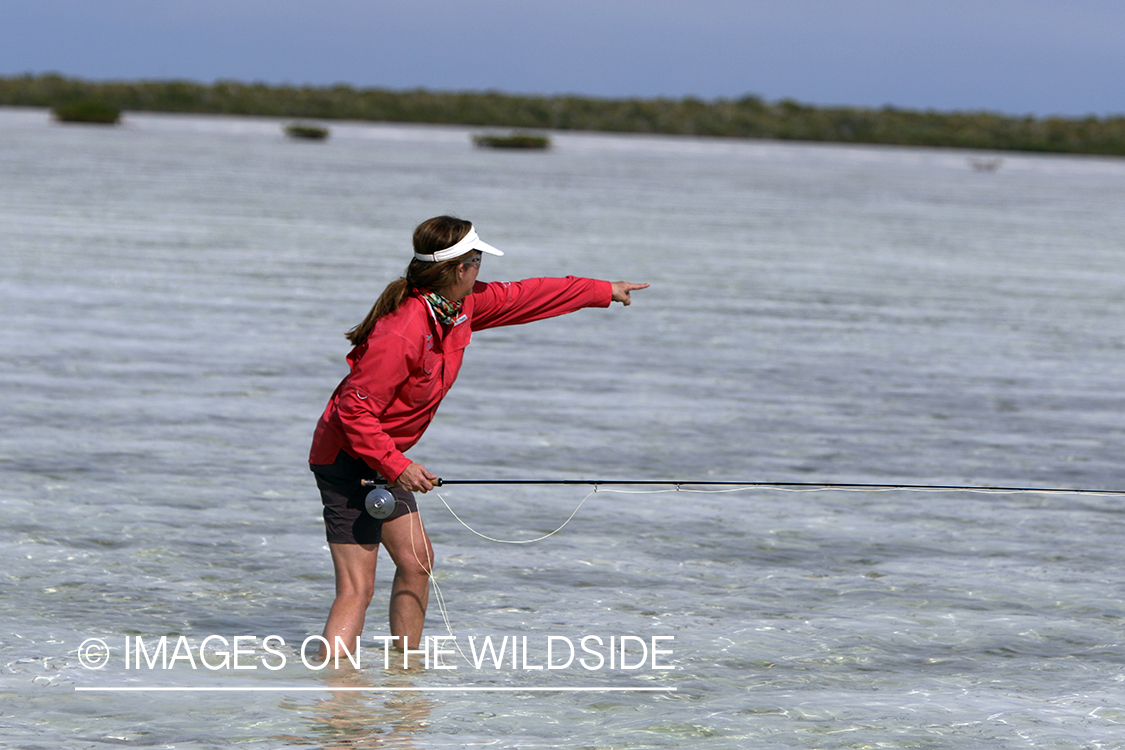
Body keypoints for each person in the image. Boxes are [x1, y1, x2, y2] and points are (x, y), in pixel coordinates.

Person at [309, 215, 648, 657]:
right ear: (458, 269)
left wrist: (600, 290)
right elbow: (354, 410)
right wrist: (398, 465)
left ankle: (404, 680)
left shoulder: (458, 307)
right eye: (477, 261)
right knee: (357, 587)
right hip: (347, 458)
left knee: (416, 564)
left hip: (382, 458)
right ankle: (334, 702)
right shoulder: (403, 329)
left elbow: (526, 296)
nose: (481, 270)